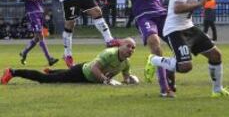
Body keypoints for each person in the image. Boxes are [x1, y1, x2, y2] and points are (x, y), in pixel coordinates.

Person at [61, 0, 190, 97]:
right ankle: (164, 89)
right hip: (144, 16)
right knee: (155, 45)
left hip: (162, 14)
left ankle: (166, 69)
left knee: (179, 48)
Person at [144, 0, 229, 98]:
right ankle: (154, 60)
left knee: (215, 55)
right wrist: (200, 3)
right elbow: (177, 7)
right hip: (175, 29)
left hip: (189, 26)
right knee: (185, 67)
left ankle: (217, 90)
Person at [1, 38, 138, 86]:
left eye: (133, 48)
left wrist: (130, 80)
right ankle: (13, 72)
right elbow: (95, 69)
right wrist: (106, 81)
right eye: (128, 46)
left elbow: (126, 78)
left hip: (87, 78)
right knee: (45, 80)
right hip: (81, 73)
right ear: (121, 45)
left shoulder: (126, 63)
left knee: (59, 75)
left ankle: (52, 71)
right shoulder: (109, 53)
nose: (131, 49)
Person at [7, 0, 58, 66]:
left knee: (36, 38)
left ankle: (24, 53)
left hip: (40, 11)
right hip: (32, 13)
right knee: (40, 35)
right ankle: (49, 58)